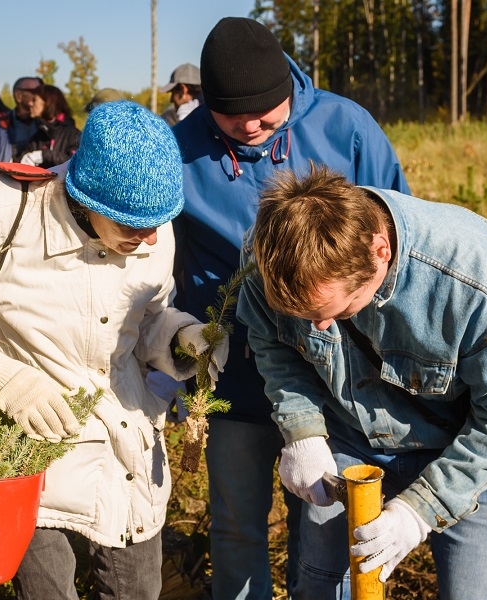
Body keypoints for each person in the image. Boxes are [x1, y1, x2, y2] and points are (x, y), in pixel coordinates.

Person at [0, 100, 228, 600]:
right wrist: (4, 378)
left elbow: (144, 320)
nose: (151, 238)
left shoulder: (151, 227)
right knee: (48, 589)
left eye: (161, 221)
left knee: (138, 590)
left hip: (124, 448)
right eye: (132, 227)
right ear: (85, 200)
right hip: (29, 452)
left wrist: (179, 336)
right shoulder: (5, 211)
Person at [238, 164, 487, 599]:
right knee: (320, 586)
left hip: (467, 450)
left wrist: (417, 512)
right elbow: (271, 340)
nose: (318, 330)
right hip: (348, 440)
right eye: (304, 318)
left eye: (338, 311)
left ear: (380, 251)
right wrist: (302, 431)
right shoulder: (270, 255)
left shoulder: (481, 284)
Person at [171, 16, 410, 600]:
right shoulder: (178, 147)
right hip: (231, 371)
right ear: (208, 106)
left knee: (324, 528)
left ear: (289, 88)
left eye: (265, 113)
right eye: (233, 117)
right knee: (235, 522)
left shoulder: (345, 127)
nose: (250, 127)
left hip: (335, 373)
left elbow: (397, 233)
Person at [0, 76, 42, 165]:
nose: (41, 95)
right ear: (18, 96)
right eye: (35, 91)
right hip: (4, 178)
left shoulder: (47, 126)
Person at [19, 85, 82, 168]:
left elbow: (76, 163)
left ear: (47, 103)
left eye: (34, 100)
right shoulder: (37, 136)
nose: (30, 103)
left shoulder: (73, 135)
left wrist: (44, 155)